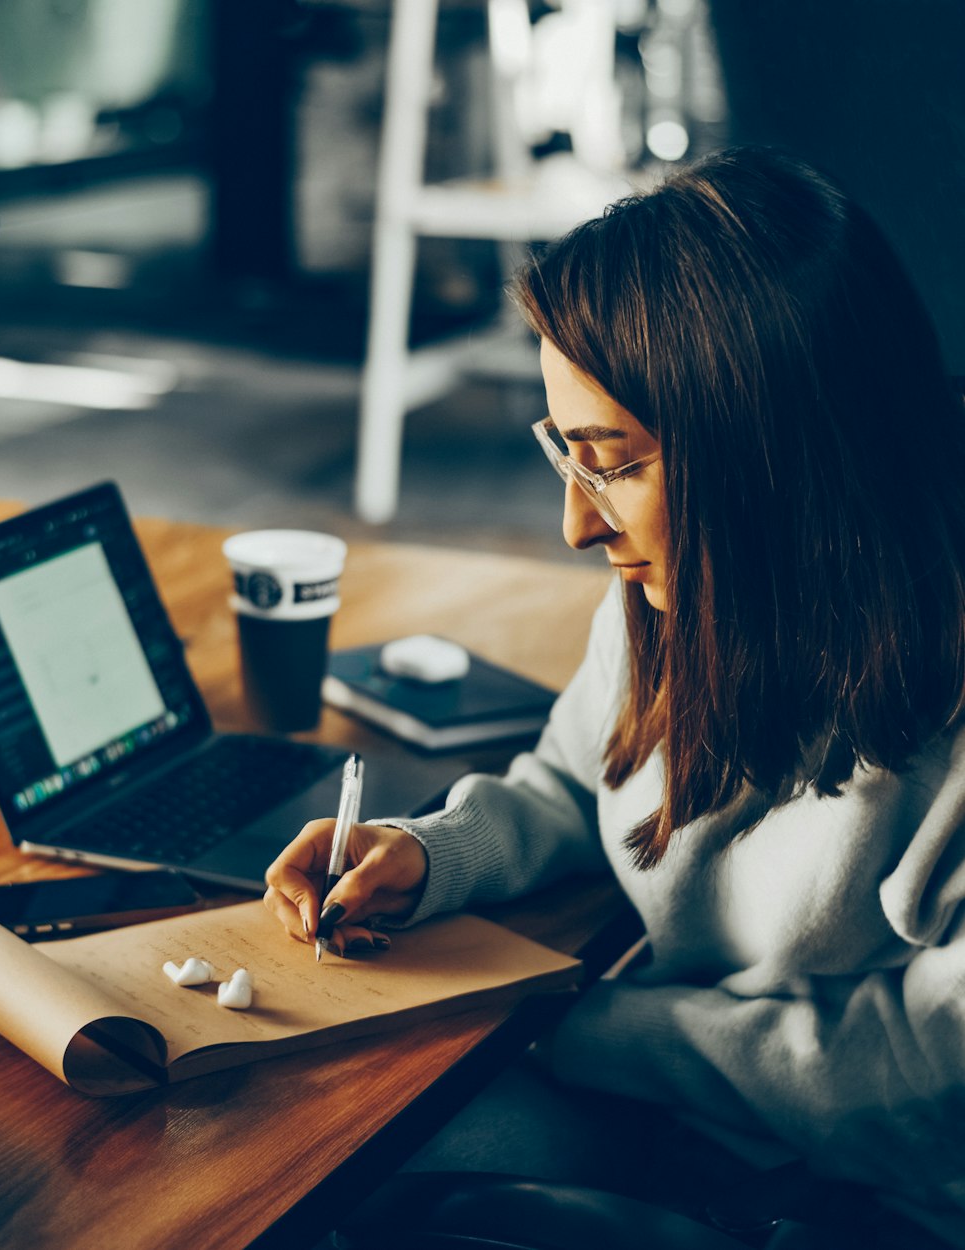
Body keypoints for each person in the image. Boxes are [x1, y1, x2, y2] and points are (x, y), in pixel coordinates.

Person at [264, 146, 965, 1246]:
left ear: (772, 457)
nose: (576, 526)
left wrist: (577, 1027)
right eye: (564, 452)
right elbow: (572, 778)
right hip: (690, 1108)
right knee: (301, 1160)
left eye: (612, 461)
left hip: (870, 1197)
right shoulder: (675, 600)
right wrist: (434, 852)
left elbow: (929, 1096)